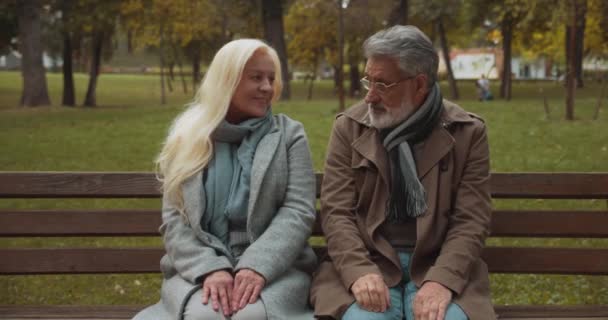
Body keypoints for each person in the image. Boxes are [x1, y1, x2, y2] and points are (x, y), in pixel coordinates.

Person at [310, 25, 495, 320]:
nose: (370, 96)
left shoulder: (467, 133)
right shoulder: (349, 127)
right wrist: (358, 271)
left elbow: (471, 220)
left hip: (438, 263)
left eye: (382, 85)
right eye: (367, 81)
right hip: (369, 260)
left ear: (419, 84)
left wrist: (442, 279)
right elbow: (336, 212)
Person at [133, 39, 317, 320]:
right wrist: (210, 268)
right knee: (204, 316)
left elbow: (298, 211)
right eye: (256, 78)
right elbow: (175, 221)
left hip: (274, 270)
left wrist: (256, 266)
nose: (267, 87)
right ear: (227, 80)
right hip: (199, 271)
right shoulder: (188, 138)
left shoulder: (289, 135)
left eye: (271, 78)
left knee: (250, 316)